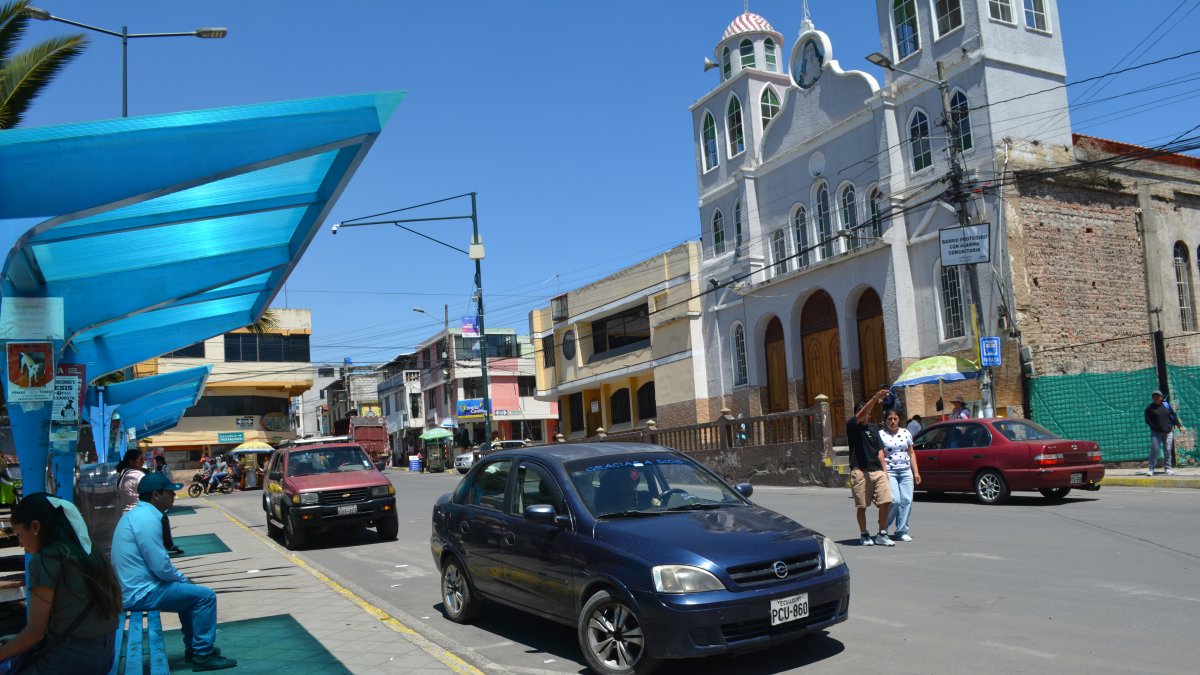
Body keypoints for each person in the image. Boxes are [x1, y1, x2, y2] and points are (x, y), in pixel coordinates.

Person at [111, 474, 237, 671]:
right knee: (205, 597)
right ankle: (202, 655)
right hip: (140, 593)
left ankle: (195, 649)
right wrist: (184, 579)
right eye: (169, 492)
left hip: (135, 588)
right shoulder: (146, 519)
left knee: (189, 596)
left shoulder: (138, 514)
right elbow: (160, 565)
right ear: (155, 495)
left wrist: (181, 582)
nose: (173, 495)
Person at [0, 493, 122, 673]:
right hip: (104, 656)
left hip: (70, 659)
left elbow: (35, 633)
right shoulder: (89, 550)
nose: (20, 543)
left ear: (35, 527)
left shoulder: (45, 559)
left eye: (19, 534)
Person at [848, 388, 894, 547]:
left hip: (877, 470)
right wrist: (875, 398)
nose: (867, 415)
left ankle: (882, 533)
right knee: (862, 506)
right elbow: (860, 415)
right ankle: (864, 533)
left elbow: (880, 450)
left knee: (886, 501)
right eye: (864, 412)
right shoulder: (852, 426)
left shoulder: (874, 428)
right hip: (860, 470)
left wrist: (885, 470)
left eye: (868, 413)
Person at [879, 410, 921, 542]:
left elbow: (911, 453)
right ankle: (883, 527)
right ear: (885, 421)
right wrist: (883, 471)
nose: (892, 421)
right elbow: (880, 454)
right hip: (889, 471)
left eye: (895, 418)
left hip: (905, 471)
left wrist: (916, 472)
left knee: (906, 501)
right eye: (889, 419)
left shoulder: (905, 433)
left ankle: (901, 531)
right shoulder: (880, 435)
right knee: (895, 500)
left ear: (899, 420)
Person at [1144, 389, 1181, 476]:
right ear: (1152, 398)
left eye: (1158, 396)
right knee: (1155, 449)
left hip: (1168, 432)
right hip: (1156, 432)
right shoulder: (1149, 407)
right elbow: (1147, 420)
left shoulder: (1166, 405)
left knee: (1167, 450)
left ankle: (1168, 468)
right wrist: (1154, 426)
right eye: (1154, 396)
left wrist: (1180, 426)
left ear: (1161, 397)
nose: (1156, 397)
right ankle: (1151, 469)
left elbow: (1173, 415)